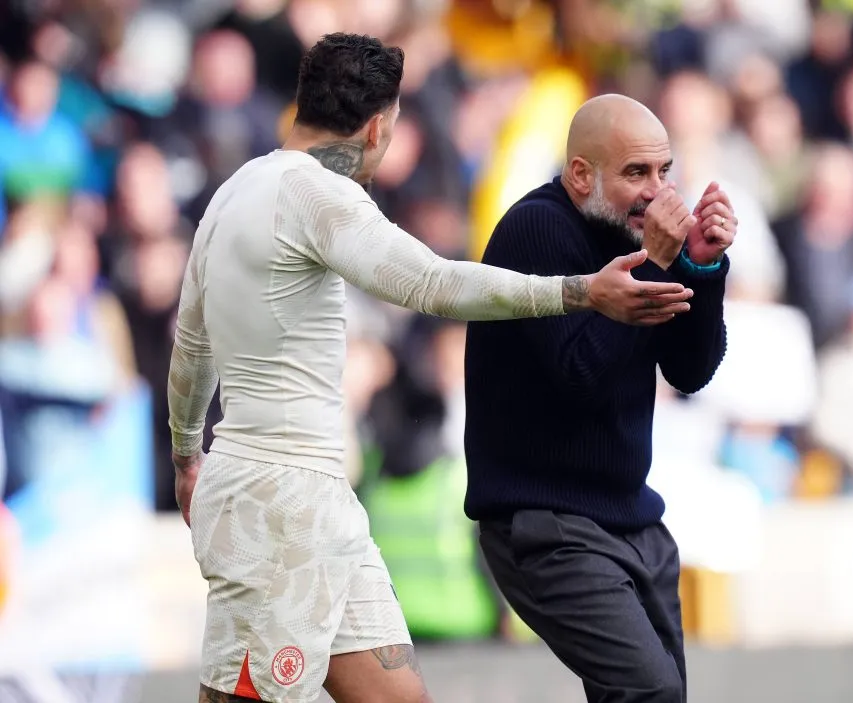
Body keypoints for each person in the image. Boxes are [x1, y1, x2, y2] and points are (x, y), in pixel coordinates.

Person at [167, 35, 693, 703]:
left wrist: (188, 452)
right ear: (380, 127)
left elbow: (191, 342)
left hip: (313, 500)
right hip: (279, 502)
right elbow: (434, 285)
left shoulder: (233, 192)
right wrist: (579, 290)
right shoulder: (320, 196)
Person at [464, 94, 738, 703]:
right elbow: (581, 373)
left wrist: (701, 269)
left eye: (664, 172)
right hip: (545, 522)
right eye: (636, 173)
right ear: (580, 173)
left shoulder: (637, 237)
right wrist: (660, 261)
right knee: (650, 693)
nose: (656, 191)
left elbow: (689, 370)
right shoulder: (537, 229)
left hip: (631, 517)